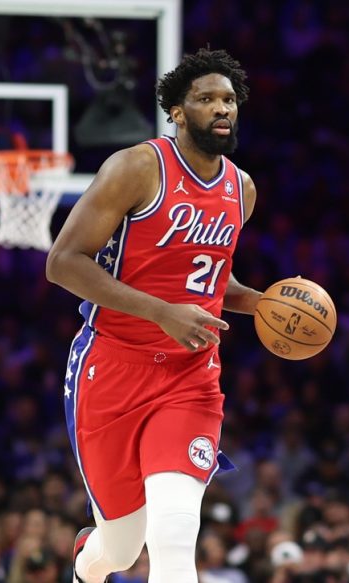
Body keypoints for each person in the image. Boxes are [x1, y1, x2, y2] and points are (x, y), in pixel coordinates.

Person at [46, 47, 261, 583]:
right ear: (177, 112)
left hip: (191, 377)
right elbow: (63, 262)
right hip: (112, 368)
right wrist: (162, 312)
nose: (221, 108)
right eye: (206, 99)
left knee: (173, 536)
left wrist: (260, 303)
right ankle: (88, 563)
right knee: (120, 550)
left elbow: (209, 281)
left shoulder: (241, 189)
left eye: (229, 100)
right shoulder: (137, 168)